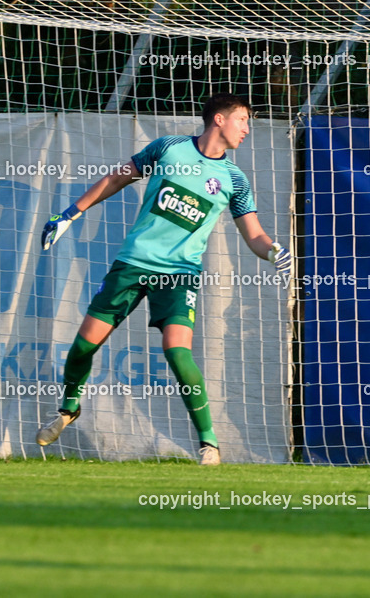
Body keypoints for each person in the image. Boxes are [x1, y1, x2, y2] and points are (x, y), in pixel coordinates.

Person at [35, 93, 291, 465]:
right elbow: (115, 179)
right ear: (218, 120)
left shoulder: (234, 179)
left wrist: (272, 251)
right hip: (133, 263)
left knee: (177, 351)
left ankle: (209, 445)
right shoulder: (167, 149)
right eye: (242, 120)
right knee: (83, 346)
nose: (246, 129)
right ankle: (69, 408)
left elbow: (254, 234)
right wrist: (69, 215)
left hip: (180, 275)